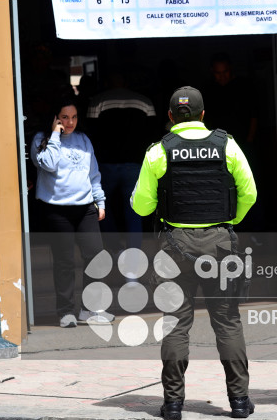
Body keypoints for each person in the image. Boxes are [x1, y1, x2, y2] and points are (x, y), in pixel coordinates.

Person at [130, 86, 257, 420]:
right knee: (227, 322)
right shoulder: (227, 145)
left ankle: (173, 405)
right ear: (203, 114)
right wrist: (229, 223)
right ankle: (239, 402)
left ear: (170, 116)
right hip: (220, 244)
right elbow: (250, 193)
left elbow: (141, 206)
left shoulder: (159, 151)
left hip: (176, 246)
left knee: (175, 325)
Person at [31, 95, 112, 327]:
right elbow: (48, 164)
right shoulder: (41, 139)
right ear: (55, 118)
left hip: (85, 207)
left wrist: (100, 201)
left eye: (74, 117)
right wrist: (55, 135)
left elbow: (93, 174)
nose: (70, 122)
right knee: (64, 262)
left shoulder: (83, 140)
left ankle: (91, 309)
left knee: (96, 257)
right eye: (64, 117)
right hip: (57, 209)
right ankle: (65, 311)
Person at [86, 69, 157, 256]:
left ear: (107, 83)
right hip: (134, 164)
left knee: (101, 205)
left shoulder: (98, 101)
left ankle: (115, 247)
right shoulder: (144, 102)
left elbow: (91, 134)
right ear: (126, 82)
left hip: (106, 164)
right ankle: (134, 255)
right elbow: (152, 134)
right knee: (134, 209)